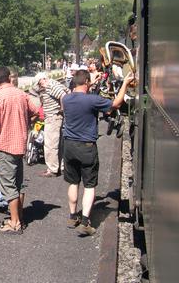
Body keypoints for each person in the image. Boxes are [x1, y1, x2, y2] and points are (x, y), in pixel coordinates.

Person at [62, 70, 134, 235]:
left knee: (73, 182)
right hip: (87, 147)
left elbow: (79, 95)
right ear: (87, 81)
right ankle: (86, 222)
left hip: (69, 145)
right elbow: (115, 104)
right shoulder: (93, 100)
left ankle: (73, 216)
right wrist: (124, 84)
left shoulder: (66, 99)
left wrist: (90, 82)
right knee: (89, 185)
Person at [0, 67, 39, 234]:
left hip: (5, 145)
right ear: (9, 77)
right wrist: (25, 122)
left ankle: (14, 222)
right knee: (18, 183)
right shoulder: (22, 94)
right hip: (19, 145)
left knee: (8, 185)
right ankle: (19, 217)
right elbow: (37, 112)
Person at [32, 72, 69, 177]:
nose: (39, 86)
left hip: (53, 116)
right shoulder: (53, 84)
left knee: (50, 144)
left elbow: (63, 96)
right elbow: (65, 92)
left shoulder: (49, 85)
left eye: (39, 83)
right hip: (55, 116)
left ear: (43, 80)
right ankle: (60, 166)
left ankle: (52, 169)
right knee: (58, 143)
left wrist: (62, 109)